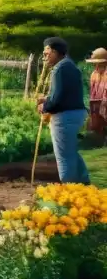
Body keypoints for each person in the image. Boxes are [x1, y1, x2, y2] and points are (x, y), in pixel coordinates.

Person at [38, 38, 90, 184]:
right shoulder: (70, 65)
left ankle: (68, 191)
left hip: (64, 117)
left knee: (64, 156)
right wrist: (47, 99)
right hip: (76, 114)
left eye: (46, 53)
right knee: (71, 152)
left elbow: (57, 100)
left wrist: (45, 106)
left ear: (55, 52)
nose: (44, 57)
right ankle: (85, 185)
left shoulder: (59, 68)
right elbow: (65, 94)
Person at [87, 48, 107, 143]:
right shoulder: (93, 74)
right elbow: (92, 91)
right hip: (96, 104)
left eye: (98, 63)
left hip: (105, 102)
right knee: (95, 124)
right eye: (95, 63)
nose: (96, 65)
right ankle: (99, 139)